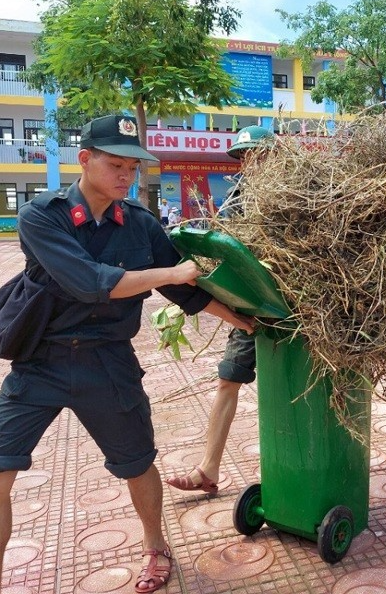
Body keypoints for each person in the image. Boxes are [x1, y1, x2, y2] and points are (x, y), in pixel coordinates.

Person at [0, 114, 255, 594]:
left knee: (138, 465)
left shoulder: (139, 224)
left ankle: (156, 545)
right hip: (41, 362)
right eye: (116, 164)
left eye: (132, 167)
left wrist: (243, 320)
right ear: (85, 159)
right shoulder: (44, 215)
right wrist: (170, 274)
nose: (126, 176)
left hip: (108, 361)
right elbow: (91, 283)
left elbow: (187, 292)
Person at [165, 125, 275, 495]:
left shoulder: (301, 193)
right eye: (243, 156)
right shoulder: (236, 200)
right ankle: (208, 469)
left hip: (301, 310)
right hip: (252, 306)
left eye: (255, 154)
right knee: (229, 378)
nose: (249, 162)